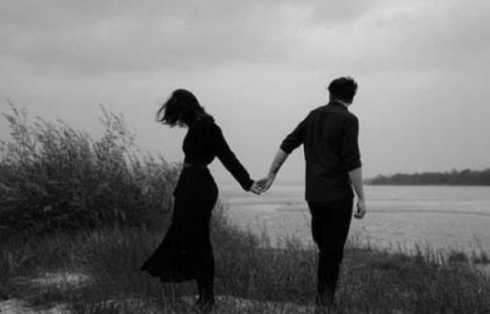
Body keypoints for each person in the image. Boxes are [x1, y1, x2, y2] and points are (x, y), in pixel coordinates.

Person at [141, 89, 261, 312]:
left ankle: (207, 296)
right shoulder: (198, 125)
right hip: (191, 185)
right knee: (188, 239)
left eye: (178, 115)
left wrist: (247, 182)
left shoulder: (207, 127)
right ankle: (205, 295)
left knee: (198, 242)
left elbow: (227, 156)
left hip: (197, 188)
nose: (178, 121)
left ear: (186, 110)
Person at [257, 76, 366, 310]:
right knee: (332, 253)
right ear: (352, 98)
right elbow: (352, 160)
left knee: (325, 249)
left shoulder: (314, 116)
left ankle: (323, 301)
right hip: (338, 195)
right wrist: (362, 197)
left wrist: (271, 174)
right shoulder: (349, 120)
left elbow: (288, 143)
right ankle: (325, 304)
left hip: (314, 195)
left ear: (330, 94)